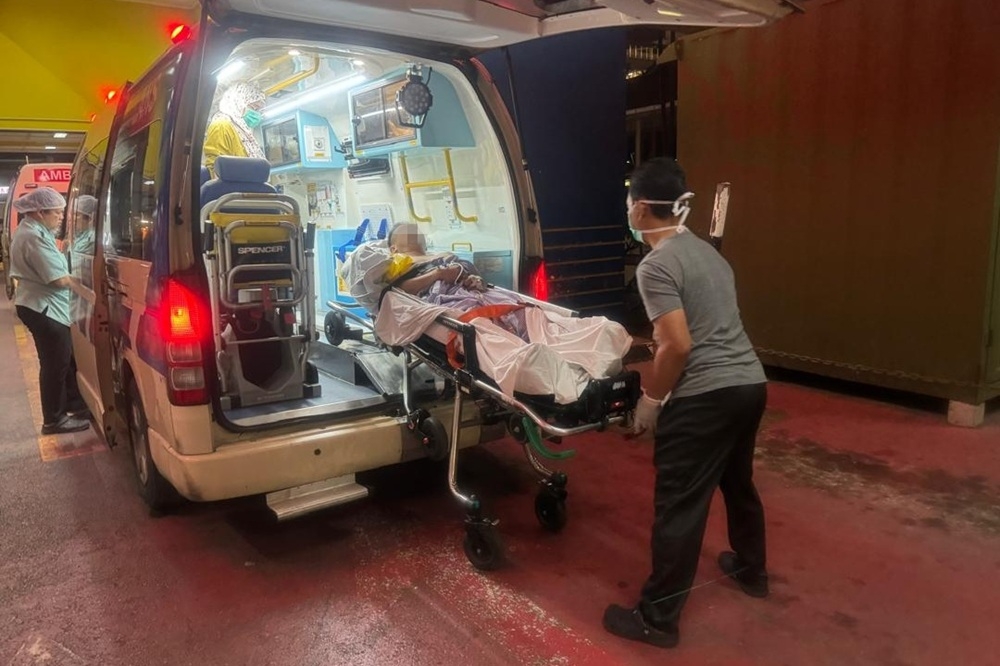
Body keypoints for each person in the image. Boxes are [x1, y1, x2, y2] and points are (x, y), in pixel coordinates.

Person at [602, 158, 768, 649]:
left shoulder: (655, 265)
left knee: (680, 505)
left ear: (642, 209)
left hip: (705, 397)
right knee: (737, 483)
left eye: (629, 202)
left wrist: (651, 401)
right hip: (749, 386)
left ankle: (657, 620)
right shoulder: (707, 255)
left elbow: (677, 345)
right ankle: (751, 569)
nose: (627, 210)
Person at [8, 187, 90, 435]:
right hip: (43, 308)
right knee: (55, 364)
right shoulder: (33, 237)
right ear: (40, 212)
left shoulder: (36, 231)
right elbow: (58, 279)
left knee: (64, 359)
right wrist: (87, 287)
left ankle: (73, 404)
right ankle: (54, 420)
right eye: (57, 213)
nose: (61, 218)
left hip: (44, 305)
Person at [203, 82, 267, 177]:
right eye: (254, 108)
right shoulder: (221, 125)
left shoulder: (243, 132)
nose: (257, 114)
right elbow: (217, 170)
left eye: (259, 110)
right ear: (239, 103)